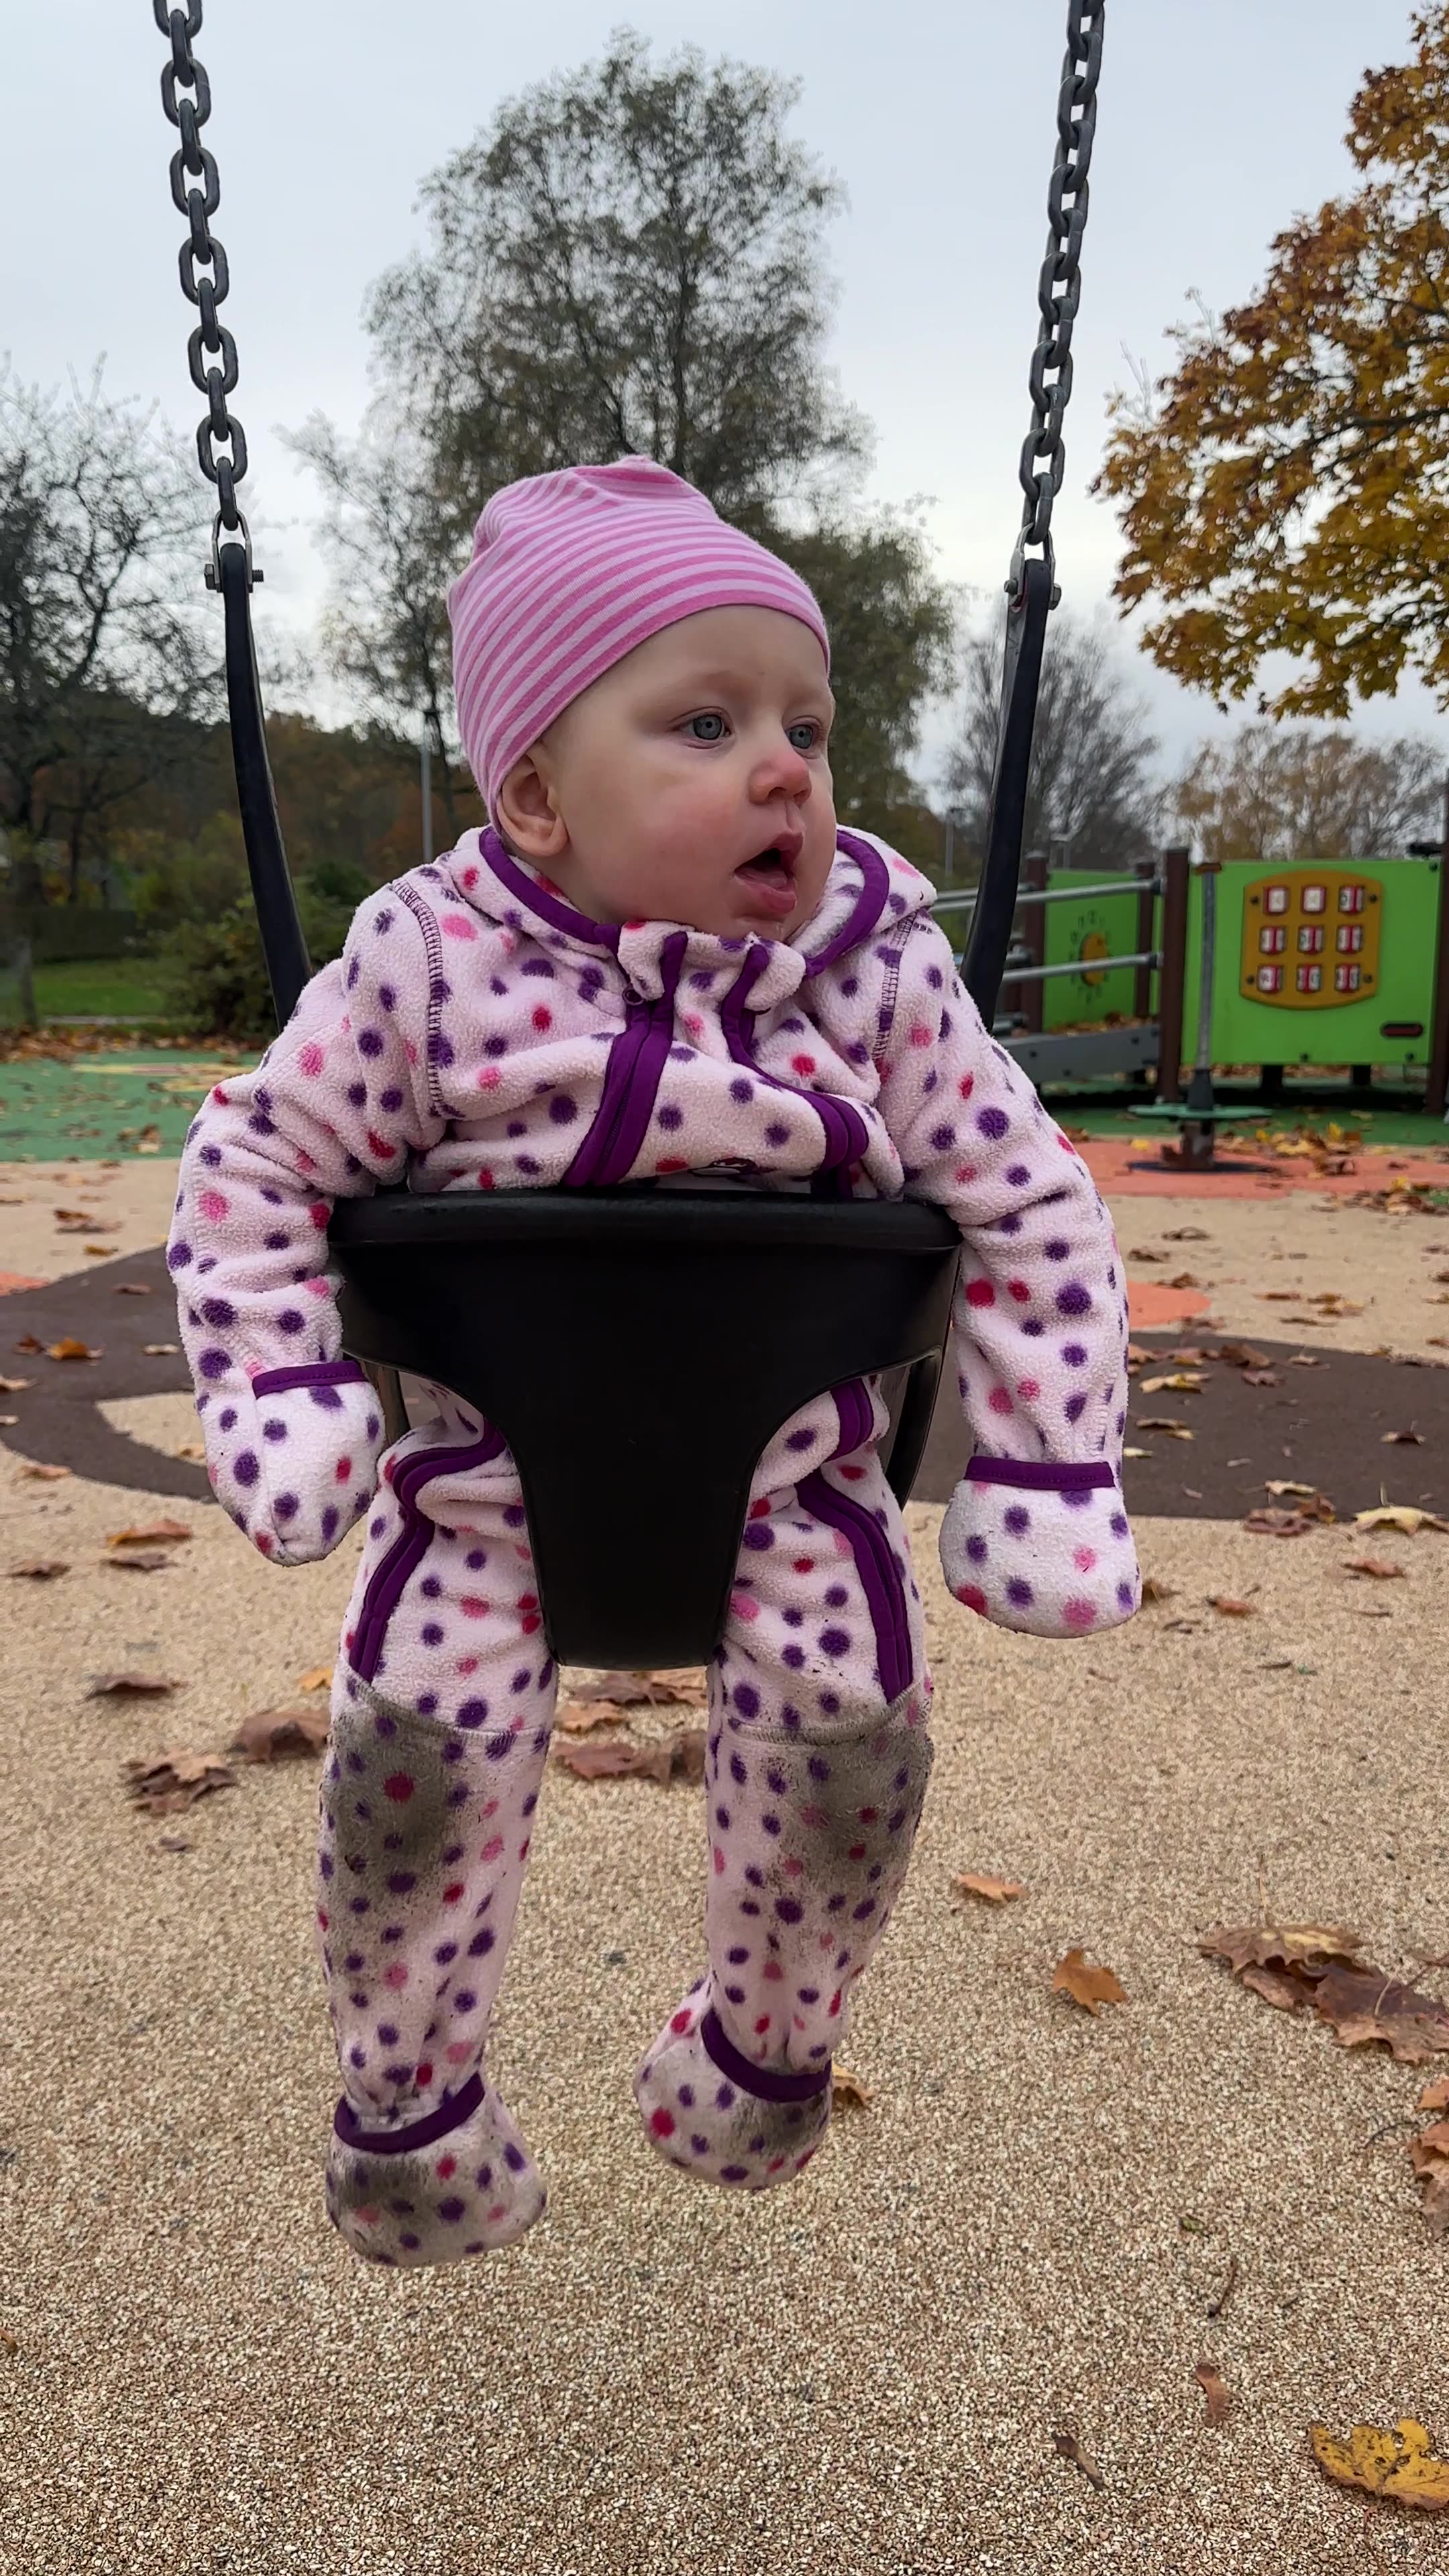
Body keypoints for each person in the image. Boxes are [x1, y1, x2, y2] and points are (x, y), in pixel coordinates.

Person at [168, 459, 1140, 2269]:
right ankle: (410, 2113)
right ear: (534, 789)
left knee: (853, 1759)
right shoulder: (426, 960)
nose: (788, 765)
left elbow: (1030, 1198)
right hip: (477, 1500)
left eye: (807, 723)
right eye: (705, 722)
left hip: (797, 1491)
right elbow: (254, 1165)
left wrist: (1045, 1474)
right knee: (413, 1772)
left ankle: (764, 2057)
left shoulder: (878, 969)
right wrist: (281, 1390)